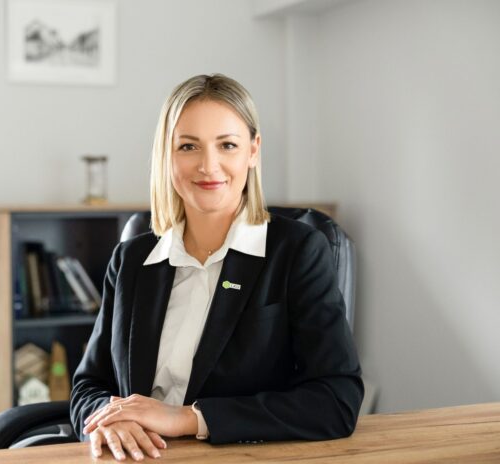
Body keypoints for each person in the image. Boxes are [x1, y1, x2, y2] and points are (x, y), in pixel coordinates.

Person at [70, 74, 364, 461]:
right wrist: (109, 420)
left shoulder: (297, 251)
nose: (209, 166)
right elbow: (89, 385)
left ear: (253, 151)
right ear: (166, 155)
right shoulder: (131, 260)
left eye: (227, 145)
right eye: (188, 146)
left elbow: (336, 400)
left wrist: (188, 419)